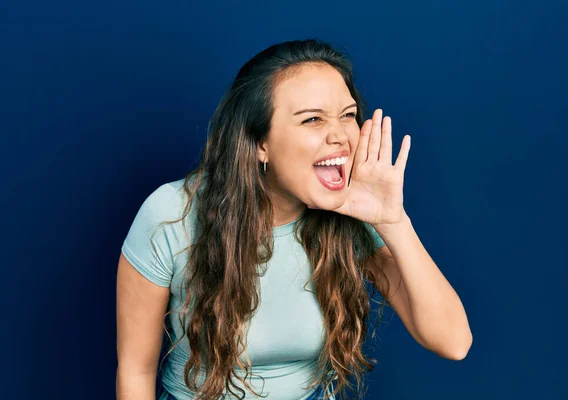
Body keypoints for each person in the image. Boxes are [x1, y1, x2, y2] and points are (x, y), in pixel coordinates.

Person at [116, 38, 472, 400]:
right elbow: (135, 369)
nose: (340, 136)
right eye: (313, 119)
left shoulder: (353, 214)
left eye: (347, 116)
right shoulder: (170, 214)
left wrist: (393, 222)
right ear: (259, 143)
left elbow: (454, 342)